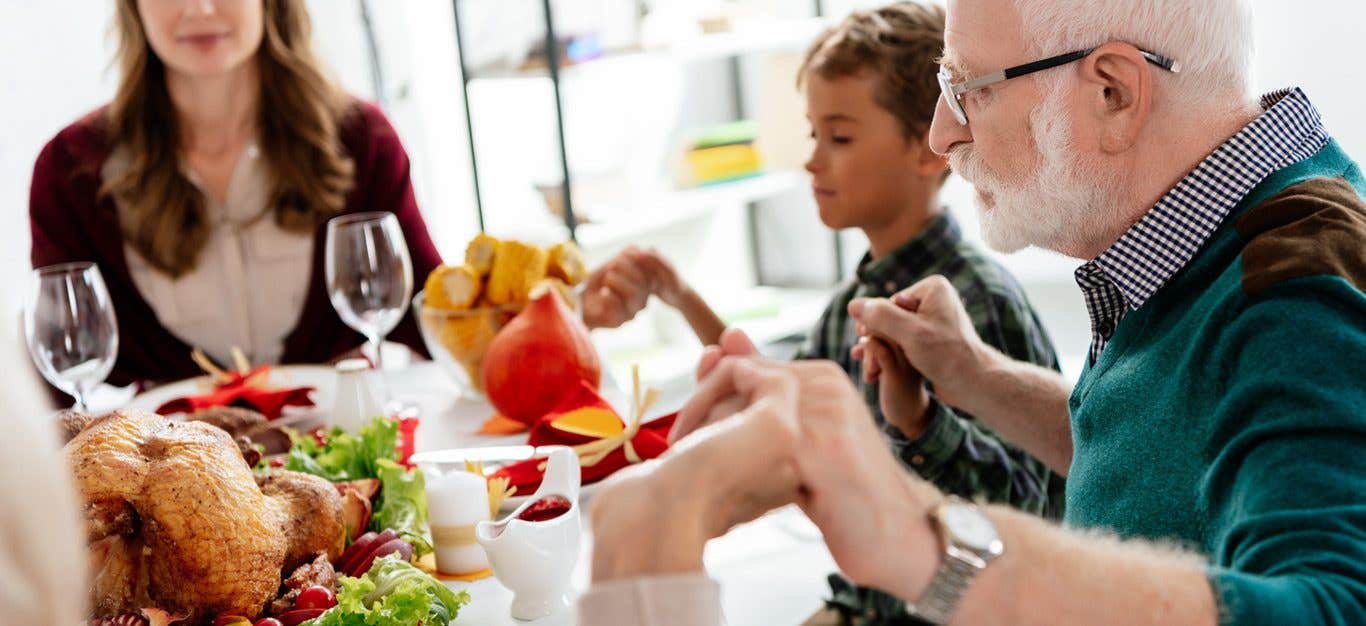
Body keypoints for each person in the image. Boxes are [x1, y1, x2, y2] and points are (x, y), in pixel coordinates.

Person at [580, 0, 1366, 623]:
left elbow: (1333, 607)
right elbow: (1173, 456)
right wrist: (975, 376)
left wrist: (920, 537)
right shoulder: (1193, 227)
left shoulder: (1299, 292)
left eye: (968, 90)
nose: (941, 132)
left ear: (1113, 92)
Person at [582, 3, 1064, 522]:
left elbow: (1026, 507)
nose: (813, 160)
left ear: (929, 149)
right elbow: (779, 395)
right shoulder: (848, 308)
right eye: (814, 134)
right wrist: (679, 295)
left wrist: (921, 423)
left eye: (839, 137)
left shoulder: (978, 304)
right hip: (874, 600)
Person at [28, 0, 442, 396]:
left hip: (345, 444)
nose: (200, 8)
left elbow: (434, 315)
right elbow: (54, 372)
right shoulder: (69, 172)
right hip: (171, 461)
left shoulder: (363, 141)